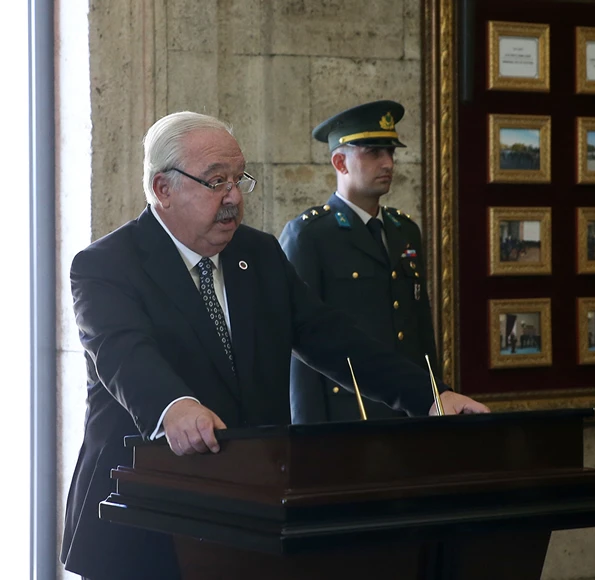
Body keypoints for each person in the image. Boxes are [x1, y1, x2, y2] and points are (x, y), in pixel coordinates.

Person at [60, 111, 490, 580]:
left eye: (239, 178)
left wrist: (430, 395)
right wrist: (173, 406)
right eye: (215, 181)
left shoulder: (259, 253)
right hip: (142, 512)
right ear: (163, 189)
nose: (233, 197)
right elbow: (122, 353)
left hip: (249, 513)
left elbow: (333, 338)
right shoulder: (106, 265)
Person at [279, 100, 439, 423]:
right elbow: (299, 352)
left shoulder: (404, 230)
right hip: (348, 419)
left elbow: (421, 333)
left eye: (391, 152)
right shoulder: (308, 235)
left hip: (410, 413)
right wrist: (310, 437)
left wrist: (433, 399)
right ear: (340, 162)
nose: (388, 163)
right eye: (374, 152)